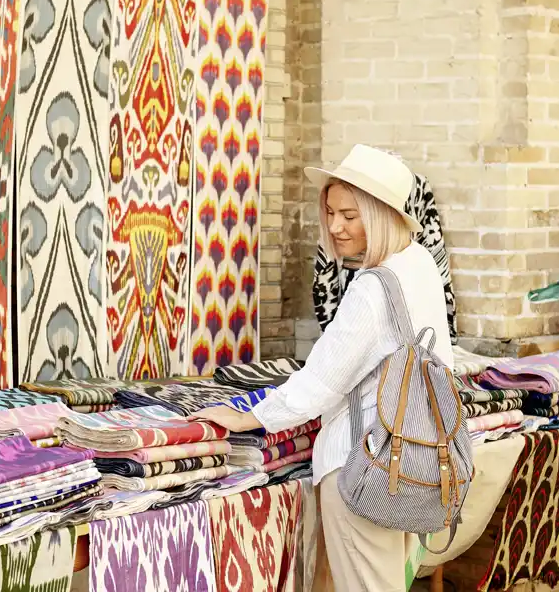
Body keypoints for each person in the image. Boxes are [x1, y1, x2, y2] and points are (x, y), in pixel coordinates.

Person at [192, 144, 454, 592]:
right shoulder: (421, 264)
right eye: (331, 212)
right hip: (411, 463)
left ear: (379, 212)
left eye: (350, 215)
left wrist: (248, 418)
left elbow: (320, 383)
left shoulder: (371, 288)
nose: (335, 227)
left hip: (362, 470)